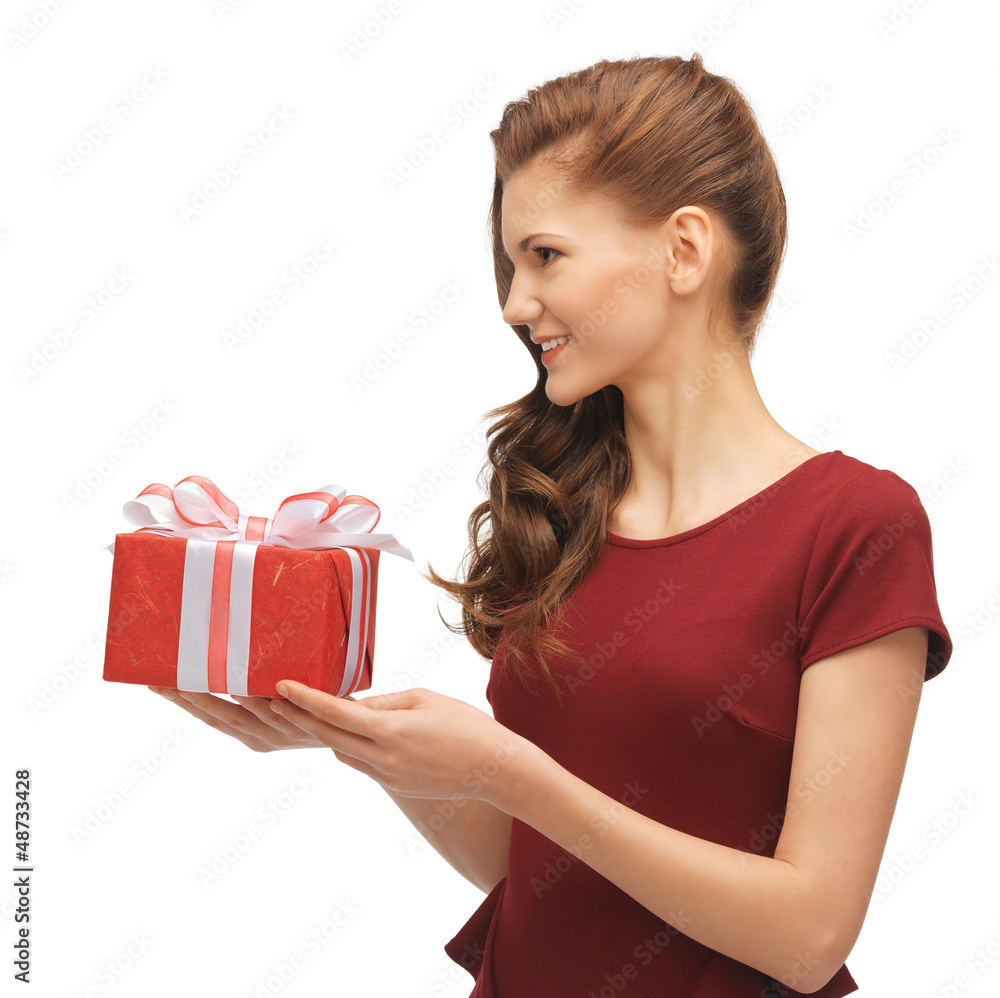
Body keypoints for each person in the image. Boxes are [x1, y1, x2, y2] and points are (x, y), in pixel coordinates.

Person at [149, 53, 953, 997]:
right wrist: (363, 742)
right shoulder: (562, 512)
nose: (514, 304)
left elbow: (810, 933)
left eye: (545, 256)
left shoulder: (857, 527)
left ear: (684, 251)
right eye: (511, 262)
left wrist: (511, 772)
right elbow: (531, 867)